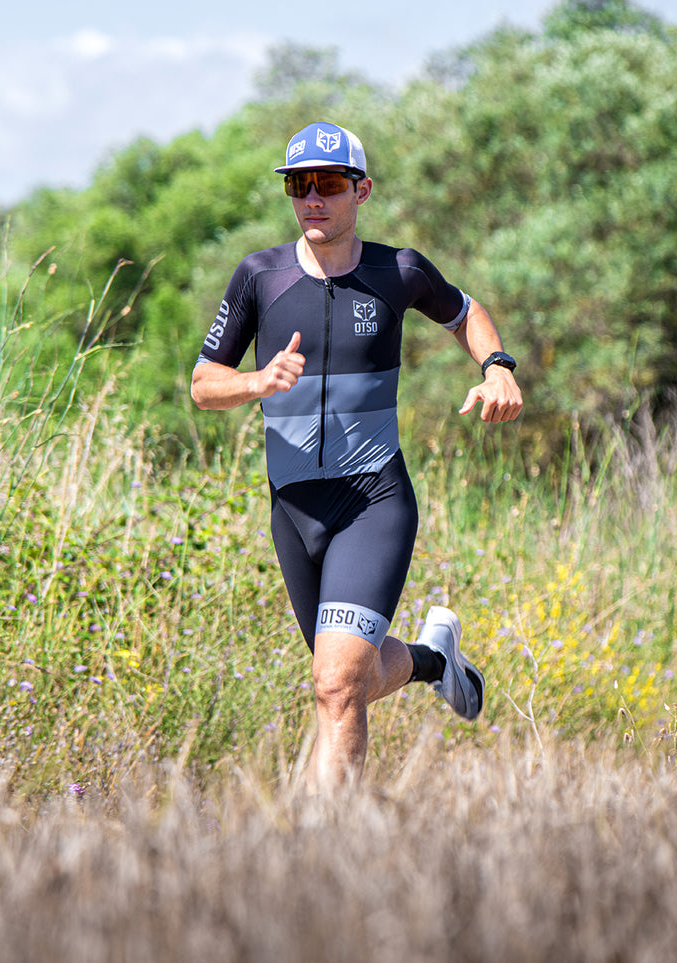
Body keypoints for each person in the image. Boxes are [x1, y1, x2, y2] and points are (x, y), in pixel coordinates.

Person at [190, 121, 523, 788]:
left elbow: (465, 312)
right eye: (297, 184)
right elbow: (203, 384)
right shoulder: (259, 276)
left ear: (360, 190)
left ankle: (326, 848)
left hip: (371, 501)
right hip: (293, 507)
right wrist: (254, 382)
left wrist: (496, 366)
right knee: (346, 679)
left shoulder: (396, 271)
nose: (312, 197)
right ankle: (431, 659)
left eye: (329, 183)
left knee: (336, 681)